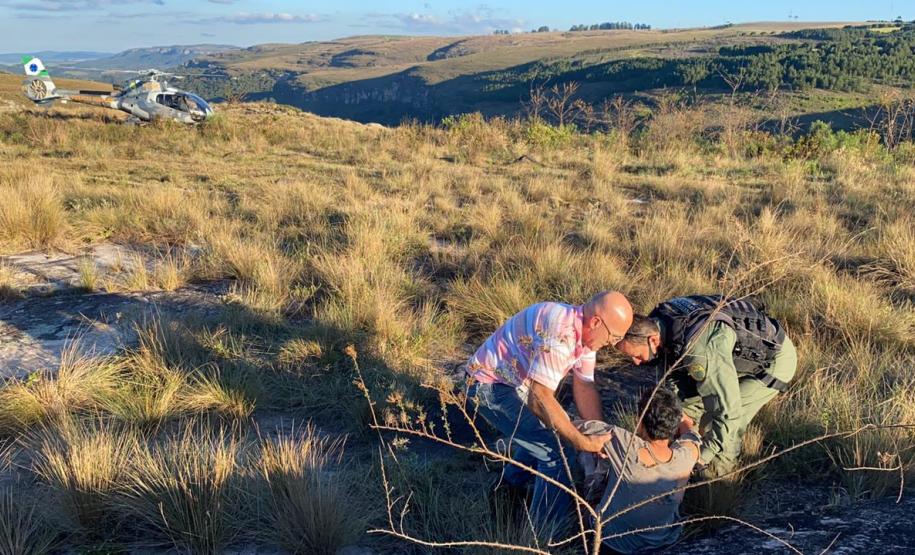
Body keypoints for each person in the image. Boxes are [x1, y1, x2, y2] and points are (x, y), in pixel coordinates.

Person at [465, 291, 633, 534]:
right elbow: (539, 398)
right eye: (613, 337)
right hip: (487, 386)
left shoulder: (586, 335)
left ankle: (508, 487)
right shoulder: (561, 333)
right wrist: (582, 442)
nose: (613, 344)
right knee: (558, 450)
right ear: (597, 322)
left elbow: (584, 386)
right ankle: (544, 535)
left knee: (549, 433)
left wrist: (599, 435)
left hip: (516, 384)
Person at [613, 295, 797, 478]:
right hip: (728, 356)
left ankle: (717, 478)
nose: (635, 363)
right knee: (677, 414)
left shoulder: (700, 352)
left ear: (653, 340)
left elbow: (728, 413)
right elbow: (673, 380)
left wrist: (701, 460)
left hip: (769, 363)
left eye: (636, 355)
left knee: (722, 422)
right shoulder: (660, 322)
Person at [578, 387, 700, 554]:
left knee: (587, 461)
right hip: (663, 541)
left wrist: (593, 444)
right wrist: (682, 418)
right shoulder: (686, 456)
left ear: (640, 420)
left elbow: (572, 428)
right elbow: (692, 434)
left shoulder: (623, 442)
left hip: (613, 543)